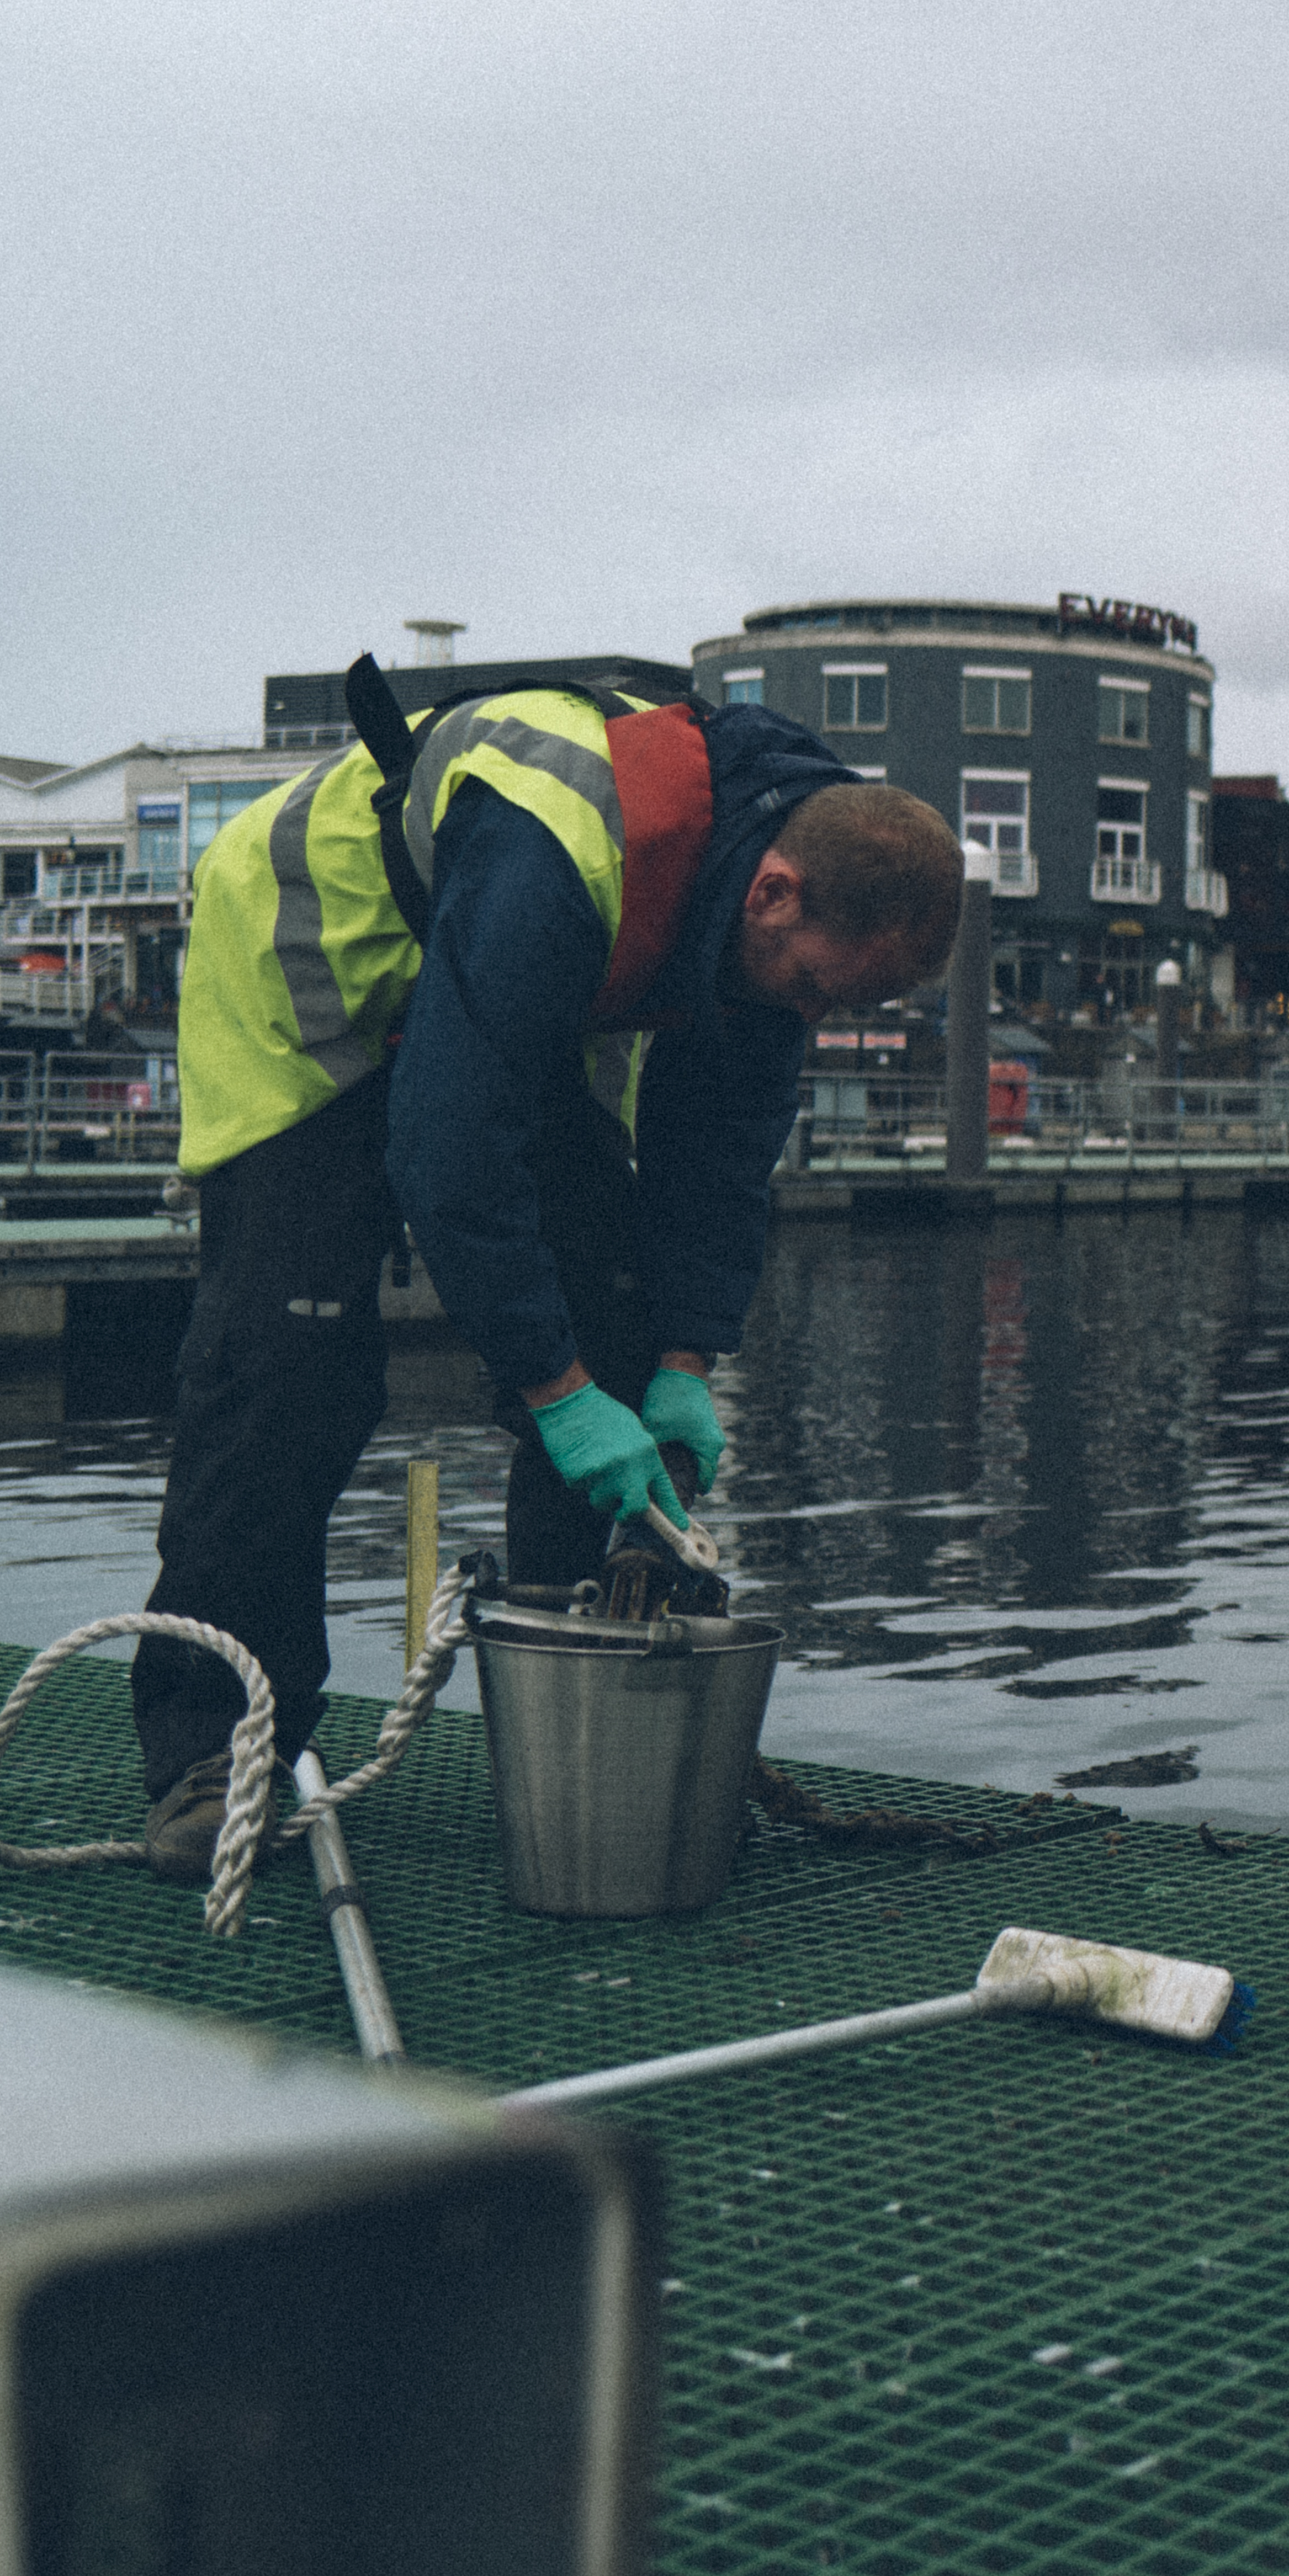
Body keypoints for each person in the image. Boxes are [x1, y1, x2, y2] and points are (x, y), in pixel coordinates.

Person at [133, 670, 960, 1878]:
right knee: (283, 1368)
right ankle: (217, 1749)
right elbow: (450, 1153)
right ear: (775, 894)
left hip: (499, 993)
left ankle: (596, 1727)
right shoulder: (560, 843)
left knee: (614, 1328)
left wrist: (677, 1363)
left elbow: (719, 1160)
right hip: (305, 985)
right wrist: (557, 1394)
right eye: (821, 991)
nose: (817, 1015)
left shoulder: (775, 905)